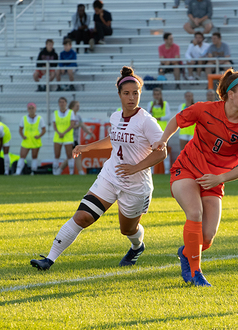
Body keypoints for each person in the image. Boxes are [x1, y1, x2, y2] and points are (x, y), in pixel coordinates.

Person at [30, 66, 166, 271]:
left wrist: (134, 168)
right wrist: (87, 147)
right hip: (110, 176)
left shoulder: (148, 122)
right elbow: (114, 139)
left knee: (127, 230)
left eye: (135, 93)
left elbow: (161, 153)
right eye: (127, 93)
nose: (131, 97)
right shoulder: (115, 116)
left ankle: (137, 246)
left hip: (136, 186)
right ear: (119, 94)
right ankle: (49, 259)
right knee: (82, 216)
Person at [151, 68, 238, 287]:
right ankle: (195, 273)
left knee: (207, 237)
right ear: (231, 94)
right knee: (194, 212)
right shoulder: (205, 109)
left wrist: (219, 179)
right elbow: (177, 120)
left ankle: (186, 253)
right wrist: (163, 139)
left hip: (213, 181)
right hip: (187, 170)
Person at [58, 100, 96, 175]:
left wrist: (90, 133)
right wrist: (77, 126)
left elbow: (82, 125)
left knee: (72, 155)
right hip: (69, 138)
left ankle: (59, 170)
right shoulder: (68, 114)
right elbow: (68, 126)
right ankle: (80, 171)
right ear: (72, 106)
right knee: (76, 154)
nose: (78, 107)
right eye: (77, 106)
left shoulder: (78, 116)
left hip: (75, 138)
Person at [16, 103, 46, 175]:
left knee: (34, 156)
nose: (31, 110)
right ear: (27, 109)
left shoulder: (39, 118)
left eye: (32, 108)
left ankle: (33, 171)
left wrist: (39, 136)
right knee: (22, 156)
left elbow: (44, 130)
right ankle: (18, 172)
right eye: (29, 108)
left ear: (35, 109)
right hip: (27, 140)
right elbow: (20, 129)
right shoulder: (24, 118)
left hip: (35, 140)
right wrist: (23, 136)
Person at [148, 88, 172, 174]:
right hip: (153, 130)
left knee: (165, 150)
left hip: (163, 131)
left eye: (158, 94)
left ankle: (166, 170)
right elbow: (148, 116)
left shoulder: (165, 104)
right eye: (155, 94)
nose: (157, 96)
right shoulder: (150, 104)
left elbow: (168, 116)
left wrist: (158, 118)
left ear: (160, 95)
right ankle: (151, 170)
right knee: (151, 150)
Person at [52, 97, 76, 175]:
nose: (62, 104)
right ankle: (55, 172)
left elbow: (72, 124)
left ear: (66, 103)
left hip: (67, 136)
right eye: (60, 102)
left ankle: (71, 172)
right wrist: (59, 133)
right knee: (56, 154)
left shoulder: (70, 112)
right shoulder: (55, 113)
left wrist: (64, 133)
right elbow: (54, 125)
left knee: (69, 154)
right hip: (58, 136)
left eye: (63, 102)